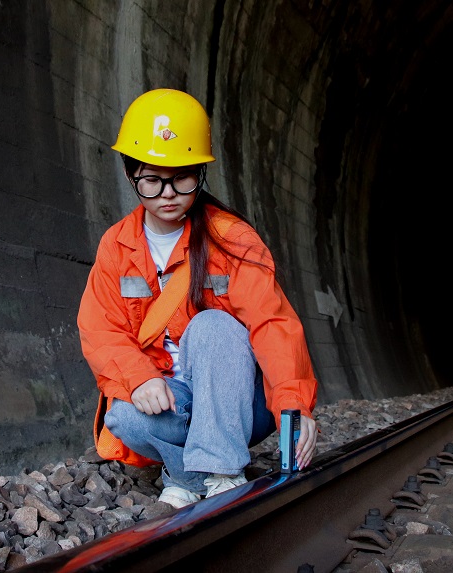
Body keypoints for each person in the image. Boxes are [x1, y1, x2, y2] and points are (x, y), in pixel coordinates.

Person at [78, 88, 318, 509]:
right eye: (153, 179)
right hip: (174, 393)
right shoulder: (116, 246)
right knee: (122, 416)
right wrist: (140, 378)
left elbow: (272, 323)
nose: (168, 193)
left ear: (200, 174)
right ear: (131, 174)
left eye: (182, 177)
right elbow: (100, 328)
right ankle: (189, 474)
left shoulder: (232, 240)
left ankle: (223, 472)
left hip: (239, 398)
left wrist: (294, 406)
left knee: (211, 324)